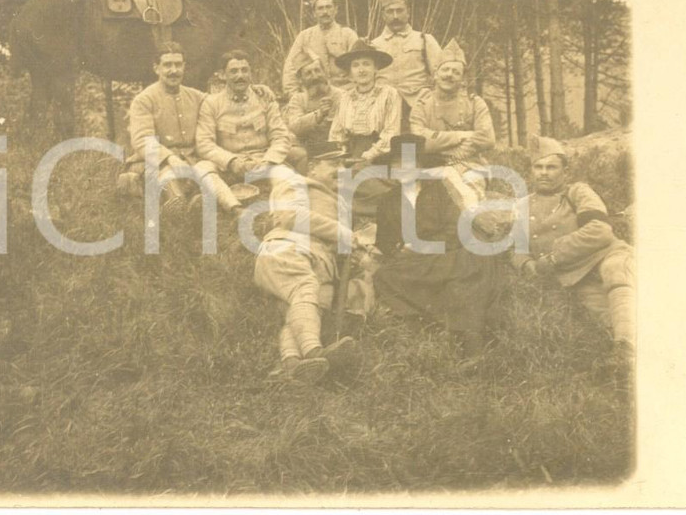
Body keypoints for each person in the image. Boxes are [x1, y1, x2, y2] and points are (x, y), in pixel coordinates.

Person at [373, 134, 503, 359]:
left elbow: (455, 229)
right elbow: (384, 241)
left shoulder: (438, 191)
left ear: (421, 166)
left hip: (443, 253)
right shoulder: (387, 201)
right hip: (412, 263)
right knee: (383, 276)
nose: (402, 169)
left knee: (471, 262)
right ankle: (425, 325)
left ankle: (472, 344)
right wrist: (399, 248)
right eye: (397, 164)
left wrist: (425, 247)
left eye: (409, 163)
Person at [512, 137, 635, 356]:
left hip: (606, 255)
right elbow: (518, 248)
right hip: (575, 276)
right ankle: (626, 355)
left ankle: (625, 350)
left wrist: (553, 257)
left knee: (615, 271)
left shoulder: (577, 192)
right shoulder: (522, 206)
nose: (544, 173)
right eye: (538, 167)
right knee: (607, 319)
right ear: (531, 171)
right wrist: (527, 264)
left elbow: (600, 230)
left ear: (565, 172)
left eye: (551, 167)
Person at [253, 156, 365, 383]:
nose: (340, 170)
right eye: (334, 163)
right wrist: (342, 234)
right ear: (312, 167)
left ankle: (290, 364)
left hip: (320, 263)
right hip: (289, 248)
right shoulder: (296, 182)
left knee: (302, 311)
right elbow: (290, 215)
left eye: (345, 167)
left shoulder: (338, 202)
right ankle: (315, 351)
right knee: (305, 291)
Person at [119, 42, 235, 211]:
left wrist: (255, 91)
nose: (173, 71)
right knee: (171, 186)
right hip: (155, 161)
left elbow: (221, 104)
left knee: (208, 174)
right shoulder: (144, 100)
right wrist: (170, 158)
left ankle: (197, 201)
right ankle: (179, 206)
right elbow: (143, 141)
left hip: (190, 160)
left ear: (184, 67)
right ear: (156, 68)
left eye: (178, 65)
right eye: (167, 65)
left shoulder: (195, 96)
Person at [196, 50, 306, 210]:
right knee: (202, 168)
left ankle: (282, 213)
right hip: (229, 167)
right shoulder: (212, 104)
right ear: (222, 75)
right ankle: (233, 207)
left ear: (250, 73)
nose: (240, 75)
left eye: (244, 70)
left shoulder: (265, 98)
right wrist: (231, 161)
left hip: (263, 162)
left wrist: (268, 161)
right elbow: (204, 143)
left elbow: (281, 136)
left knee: (287, 177)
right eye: (233, 71)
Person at [408, 38, 495, 211]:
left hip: (470, 165)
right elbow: (418, 140)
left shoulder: (475, 103)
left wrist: (449, 151)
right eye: (445, 70)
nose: (449, 75)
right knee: (416, 199)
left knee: (469, 196)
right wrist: (461, 136)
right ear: (435, 74)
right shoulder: (422, 105)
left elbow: (487, 138)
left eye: (456, 72)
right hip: (430, 165)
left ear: (463, 79)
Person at [372, 0, 440, 132]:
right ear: (383, 15)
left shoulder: (424, 39)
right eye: (390, 12)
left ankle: (409, 155)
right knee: (384, 149)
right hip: (384, 109)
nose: (395, 16)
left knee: (408, 150)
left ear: (408, 12)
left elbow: (439, 75)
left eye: (399, 10)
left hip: (416, 108)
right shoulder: (373, 46)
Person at [328, 39, 402, 166]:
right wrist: (339, 155)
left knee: (359, 175)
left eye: (366, 64)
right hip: (351, 154)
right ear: (350, 71)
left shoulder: (389, 94)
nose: (361, 70)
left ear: (376, 68)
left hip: (382, 155)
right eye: (355, 65)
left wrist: (370, 155)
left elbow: (391, 134)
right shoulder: (344, 98)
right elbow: (336, 134)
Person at [281, 0, 359, 101]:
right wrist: (294, 97)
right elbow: (290, 70)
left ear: (336, 9)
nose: (325, 12)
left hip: (346, 96)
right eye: (320, 8)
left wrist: (340, 55)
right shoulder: (304, 36)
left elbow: (360, 66)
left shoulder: (348, 34)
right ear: (314, 13)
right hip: (314, 98)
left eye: (328, 7)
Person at [283, 49, 346, 154]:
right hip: (308, 151)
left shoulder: (340, 95)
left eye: (317, 70)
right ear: (300, 79)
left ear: (324, 72)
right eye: (308, 73)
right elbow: (294, 127)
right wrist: (319, 114)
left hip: (337, 150)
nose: (315, 76)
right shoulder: (298, 99)